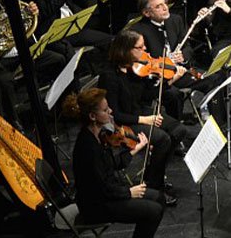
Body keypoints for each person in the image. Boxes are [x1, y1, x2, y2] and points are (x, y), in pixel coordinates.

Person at [96, 30, 184, 205]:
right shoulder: (109, 76)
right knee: (162, 139)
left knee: (179, 130)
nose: (145, 50)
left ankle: (153, 175)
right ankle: (154, 186)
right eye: (140, 47)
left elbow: (147, 95)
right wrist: (144, 120)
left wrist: (170, 80)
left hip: (139, 113)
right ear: (125, 50)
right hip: (121, 123)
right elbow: (115, 114)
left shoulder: (136, 68)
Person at [65, 88, 165, 238]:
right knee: (154, 211)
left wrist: (135, 149)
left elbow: (111, 165)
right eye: (105, 110)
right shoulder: (87, 147)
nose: (111, 111)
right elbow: (100, 188)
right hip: (97, 206)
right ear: (92, 116)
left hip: (108, 194)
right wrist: (128, 192)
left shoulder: (98, 136)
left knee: (159, 198)